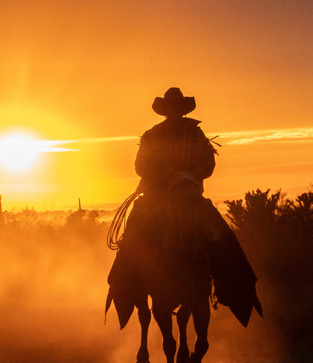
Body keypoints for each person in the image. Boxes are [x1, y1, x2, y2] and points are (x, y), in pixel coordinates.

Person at [106, 87, 261, 328]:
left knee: (221, 234)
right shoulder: (152, 135)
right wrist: (167, 178)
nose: (175, 113)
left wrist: (192, 176)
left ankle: (233, 285)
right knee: (135, 231)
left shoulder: (196, 134)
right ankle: (125, 285)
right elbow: (141, 166)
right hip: (157, 194)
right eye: (171, 109)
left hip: (189, 193)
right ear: (165, 111)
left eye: (178, 108)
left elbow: (208, 162)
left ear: (182, 110)